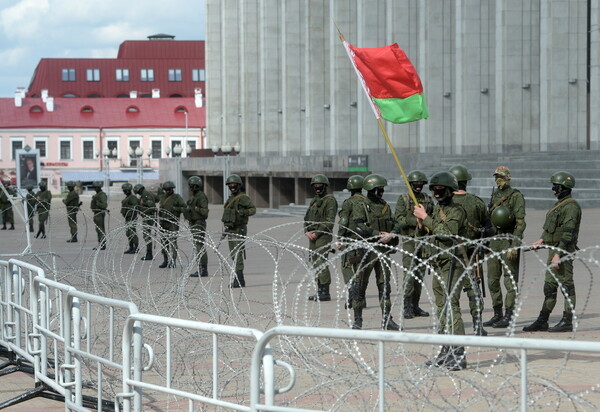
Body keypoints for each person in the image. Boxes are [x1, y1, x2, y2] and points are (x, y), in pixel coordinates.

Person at [413, 171, 467, 370]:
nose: (436, 193)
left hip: (452, 263)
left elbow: (446, 233)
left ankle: (458, 354)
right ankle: (446, 351)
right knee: (441, 308)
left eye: (440, 189)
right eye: (433, 190)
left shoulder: (456, 211)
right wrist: (421, 222)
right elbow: (426, 234)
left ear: (449, 190)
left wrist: (425, 217)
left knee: (451, 307)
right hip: (437, 262)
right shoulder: (435, 210)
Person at [523, 171, 581, 333]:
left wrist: (558, 255)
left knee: (566, 287)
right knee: (549, 287)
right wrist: (541, 240)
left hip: (562, 252)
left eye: (556, 186)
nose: (553, 189)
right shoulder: (559, 205)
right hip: (553, 250)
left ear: (564, 187)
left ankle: (567, 321)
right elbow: (551, 228)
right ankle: (543, 320)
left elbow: (568, 233)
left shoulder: (571, 207)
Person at [349, 174, 400, 330]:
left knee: (385, 285)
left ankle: (387, 319)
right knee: (360, 286)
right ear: (371, 189)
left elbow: (395, 223)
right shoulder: (362, 205)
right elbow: (358, 226)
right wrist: (377, 234)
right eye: (379, 189)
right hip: (367, 250)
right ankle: (357, 320)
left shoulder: (385, 206)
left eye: (382, 189)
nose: (382, 192)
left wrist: (391, 234)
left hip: (383, 251)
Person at [448, 164, 495, 336]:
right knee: (474, 291)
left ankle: (454, 325)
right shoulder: (477, 202)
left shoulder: (446, 204)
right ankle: (478, 325)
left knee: (451, 293)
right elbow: (490, 228)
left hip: (451, 255)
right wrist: (483, 244)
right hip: (472, 254)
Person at [484, 166, 526, 329]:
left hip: (508, 241)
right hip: (494, 242)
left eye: (501, 177)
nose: (498, 179)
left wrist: (514, 245)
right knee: (492, 280)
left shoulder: (516, 196)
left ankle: (509, 314)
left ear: (508, 178)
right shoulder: (495, 195)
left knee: (510, 281)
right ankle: (497, 313)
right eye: (496, 177)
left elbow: (520, 222)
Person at [394, 170, 434, 320]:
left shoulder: (427, 199)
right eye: (415, 184)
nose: (418, 186)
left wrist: (425, 221)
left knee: (419, 274)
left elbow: (433, 216)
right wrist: (416, 221)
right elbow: (399, 220)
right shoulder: (403, 199)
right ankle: (407, 306)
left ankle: (416, 305)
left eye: (420, 184)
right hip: (410, 240)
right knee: (409, 274)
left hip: (423, 240)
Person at [304, 174, 338, 301]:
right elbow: (306, 218)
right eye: (315, 186)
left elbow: (329, 221)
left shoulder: (330, 200)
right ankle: (319, 289)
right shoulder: (314, 200)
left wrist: (317, 233)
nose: (317, 189)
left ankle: (325, 291)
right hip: (312, 236)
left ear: (325, 186)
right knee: (315, 262)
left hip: (323, 236)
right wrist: (307, 231)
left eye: (320, 186)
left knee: (321, 262)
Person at [336, 175, 367, 308]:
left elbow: (344, 221)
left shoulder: (349, 202)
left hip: (350, 240)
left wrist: (339, 238)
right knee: (360, 270)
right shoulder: (366, 201)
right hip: (364, 239)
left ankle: (352, 298)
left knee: (347, 268)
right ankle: (360, 299)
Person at [222, 174, 256, 287]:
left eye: (234, 185)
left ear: (238, 185)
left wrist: (242, 213)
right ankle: (238, 278)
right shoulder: (231, 198)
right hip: (231, 229)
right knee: (233, 254)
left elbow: (252, 209)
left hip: (239, 229)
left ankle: (240, 280)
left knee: (238, 254)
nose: (232, 187)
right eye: (230, 185)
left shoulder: (243, 198)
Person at [157, 181, 186, 268]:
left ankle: (173, 261)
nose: (167, 191)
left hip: (172, 222)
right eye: (166, 189)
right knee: (164, 242)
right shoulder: (162, 197)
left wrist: (175, 209)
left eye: (169, 189)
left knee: (173, 242)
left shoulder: (177, 198)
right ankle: (165, 260)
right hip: (163, 222)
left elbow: (184, 207)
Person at [185, 176, 209, 277]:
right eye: (190, 186)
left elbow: (205, 212)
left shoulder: (201, 197)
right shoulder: (194, 197)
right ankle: (201, 268)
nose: (191, 188)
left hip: (199, 223)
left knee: (199, 246)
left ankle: (203, 269)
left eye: (193, 186)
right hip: (193, 223)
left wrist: (196, 208)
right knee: (197, 246)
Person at [134, 183, 157, 261]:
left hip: (148, 217)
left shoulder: (146, 195)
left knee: (146, 235)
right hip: (147, 217)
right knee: (146, 235)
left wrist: (142, 205)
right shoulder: (144, 195)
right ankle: (148, 253)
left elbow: (151, 206)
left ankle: (149, 254)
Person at [120, 183, 139, 254]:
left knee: (132, 232)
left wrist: (128, 208)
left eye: (125, 190)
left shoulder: (132, 198)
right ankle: (131, 247)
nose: (124, 192)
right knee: (128, 233)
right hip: (127, 217)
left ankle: (136, 247)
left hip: (132, 217)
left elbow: (135, 207)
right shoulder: (127, 198)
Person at [90, 181, 108, 250]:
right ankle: (101, 243)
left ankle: (102, 244)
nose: (94, 189)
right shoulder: (97, 195)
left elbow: (104, 205)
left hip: (100, 213)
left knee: (100, 229)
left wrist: (98, 203)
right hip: (96, 213)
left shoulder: (102, 195)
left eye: (95, 187)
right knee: (98, 229)